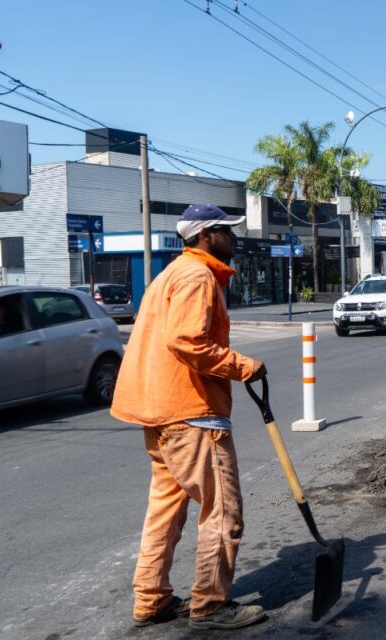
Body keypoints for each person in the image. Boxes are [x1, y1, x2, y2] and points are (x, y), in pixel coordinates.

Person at [112, 204, 268, 630]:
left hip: (161, 413)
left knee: (165, 510)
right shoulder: (197, 276)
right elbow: (186, 341)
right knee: (223, 510)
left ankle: (151, 599)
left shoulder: (171, 274)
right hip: (192, 415)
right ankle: (210, 605)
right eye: (226, 231)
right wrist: (243, 366)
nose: (234, 238)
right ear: (204, 236)